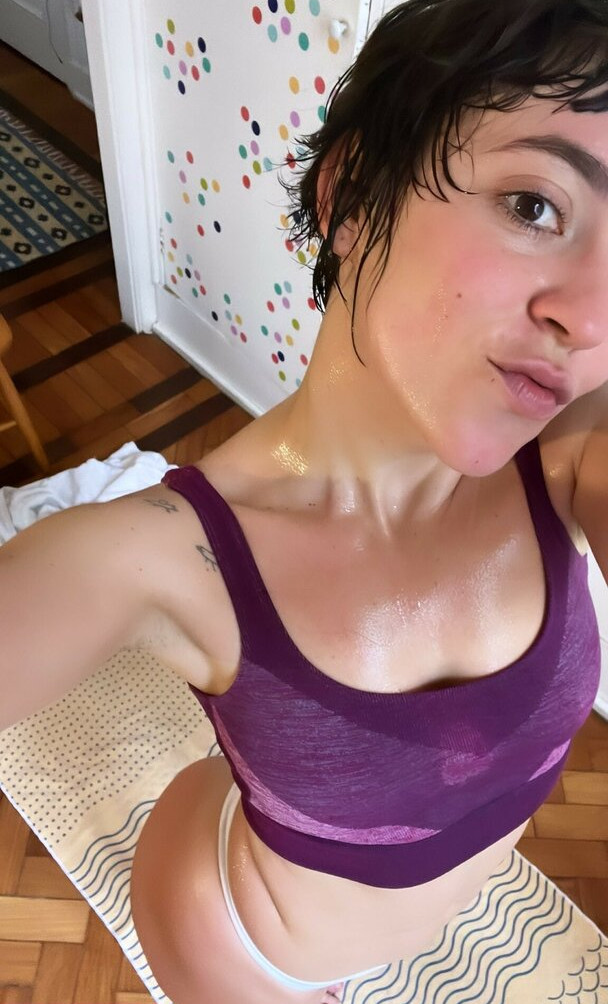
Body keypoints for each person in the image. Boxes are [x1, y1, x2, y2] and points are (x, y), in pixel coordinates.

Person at [2, 1, 608, 1001]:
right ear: (352, 191)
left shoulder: (572, 447)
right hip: (243, 950)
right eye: (534, 206)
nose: (588, 319)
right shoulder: (159, 554)